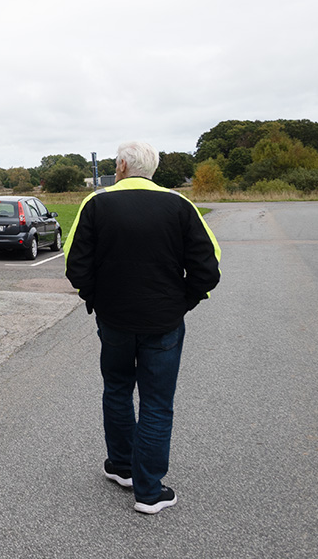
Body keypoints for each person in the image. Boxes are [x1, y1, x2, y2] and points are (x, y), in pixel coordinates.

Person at [64, 141, 221, 514]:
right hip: (164, 321)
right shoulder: (180, 206)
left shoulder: (96, 204)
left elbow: (75, 265)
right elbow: (208, 267)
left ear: (120, 165)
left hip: (114, 320)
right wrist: (183, 302)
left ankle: (122, 466)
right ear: (153, 170)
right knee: (157, 402)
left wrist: (97, 299)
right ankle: (149, 490)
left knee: (117, 389)